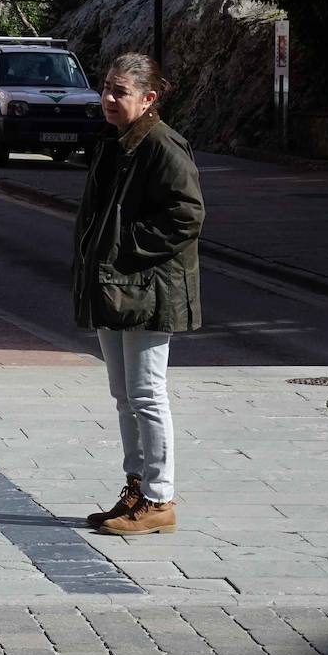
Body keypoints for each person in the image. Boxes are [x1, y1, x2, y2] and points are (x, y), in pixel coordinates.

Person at [74, 52, 204, 536]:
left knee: (147, 393)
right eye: (106, 87)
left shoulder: (163, 145)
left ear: (148, 98)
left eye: (119, 92)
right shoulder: (115, 142)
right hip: (116, 285)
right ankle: (136, 487)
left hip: (149, 288)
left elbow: (187, 216)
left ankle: (159, 498)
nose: (108, 98)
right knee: (123, 394)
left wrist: (123, 246)